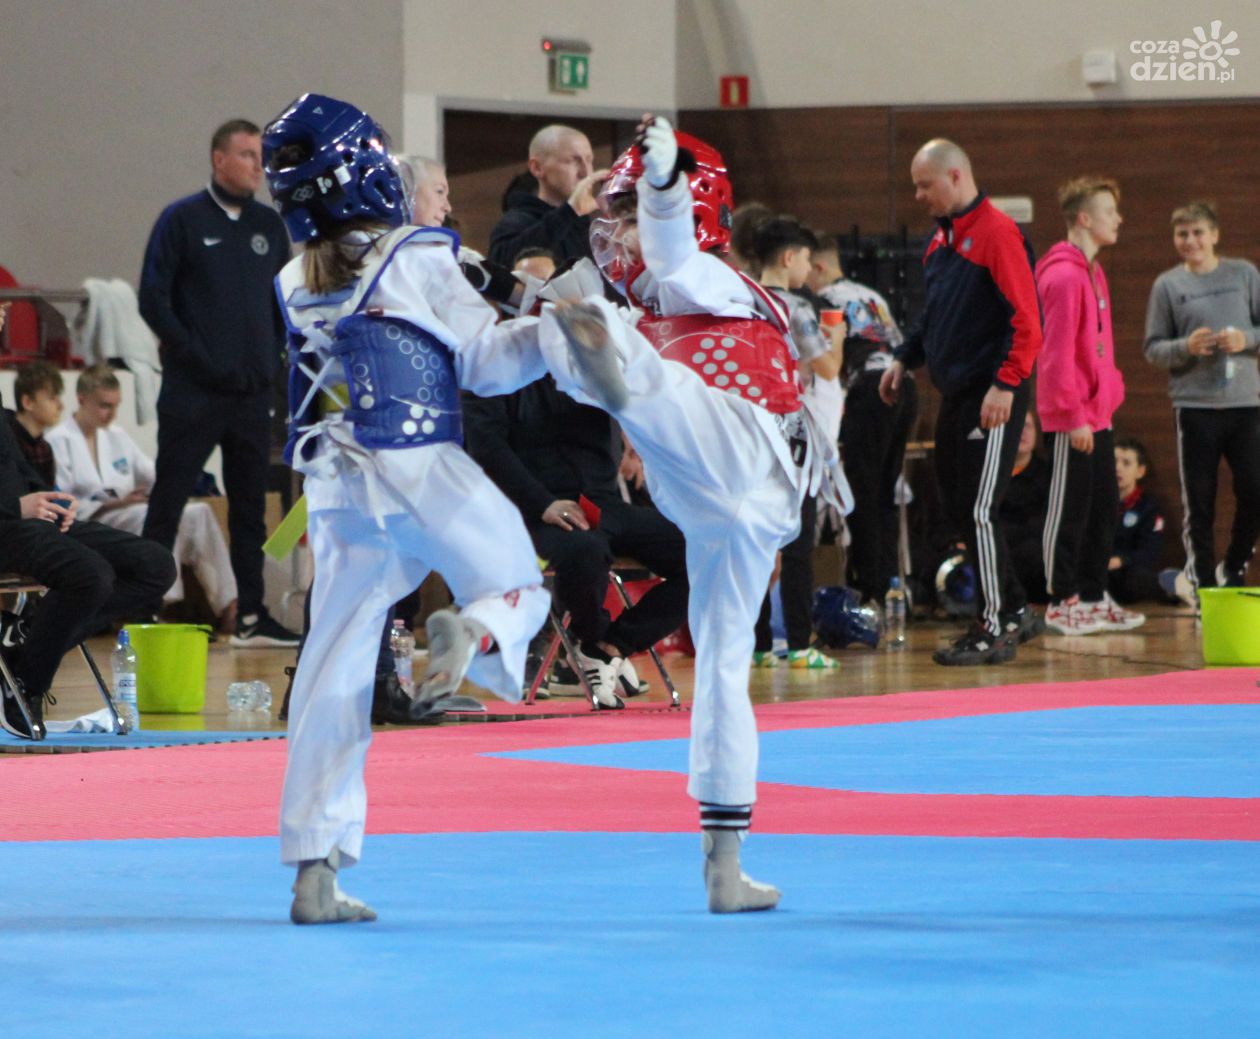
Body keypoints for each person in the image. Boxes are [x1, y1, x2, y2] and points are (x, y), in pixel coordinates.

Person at [535, 116, 848, 913]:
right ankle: (724, 861)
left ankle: (607, 364)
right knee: (722, 662)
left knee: (613, 348)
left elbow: (672, 251)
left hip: (741, 452)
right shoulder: (659, 297)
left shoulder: (702, 274)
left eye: (629, 215)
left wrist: (664, 183)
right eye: (616, 216)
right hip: (719, 501)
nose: (617, 232)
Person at [263, 93, 550, 924]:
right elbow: (488, 364)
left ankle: (315, 870)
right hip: (420, 464)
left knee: (335, 665)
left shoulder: (292, 276)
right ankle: (474, 628)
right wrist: (556, 332)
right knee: (517, 584)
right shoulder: (416, 256)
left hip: (336, 485)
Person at [879, 138, 1044, 665]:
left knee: (978, 507)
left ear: (955, 177)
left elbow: (1028, 321)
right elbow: (934, 315)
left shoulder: (998, 234)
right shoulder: (941, 240)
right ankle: (1013, 607)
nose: (918, 196)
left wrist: (1006, 384)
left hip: (992, 393)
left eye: (924, 185)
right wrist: (904, 358)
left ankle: (996, 624)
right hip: (957, 393)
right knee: (957, 504)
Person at [138, 117, 298, 648]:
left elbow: (284, 305)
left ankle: (250, 615)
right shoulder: (181, 219)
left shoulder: (269, 226)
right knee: (169, 501)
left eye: (262, 157)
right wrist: (196, 356)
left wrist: (273, 361)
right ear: (219, 159)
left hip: (251, 395)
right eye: (248, 155)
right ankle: (143, 608)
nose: (259, 166)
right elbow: (153, 300)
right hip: (193, 393)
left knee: (250, 508)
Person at [463, 373, 689, 706]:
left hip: (602, 503)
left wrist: (635, 437)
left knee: (704, 550)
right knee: (585, 549)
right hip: (530, 512)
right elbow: (486, 449)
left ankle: (608, 648)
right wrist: (543, 504)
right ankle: (590, 640)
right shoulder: (493, 373)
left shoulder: (583, 366)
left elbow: (638, 399)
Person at [0, 399, 176, 740]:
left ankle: (26, 639)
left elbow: (16, 470)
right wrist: (14, 507)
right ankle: (25, 682)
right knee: (91, 575)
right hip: (8, 525)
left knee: (155, 566)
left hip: (27, 523)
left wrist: (50, 499)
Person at [47, 366, 238, 632]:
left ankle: (229, 603)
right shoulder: (58, 440)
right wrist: (115, 503)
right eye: (104, 405)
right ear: (81, 399)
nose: (112, 413)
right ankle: (160, 603)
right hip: (91, 520)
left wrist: (183, 481)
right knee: (155, 516)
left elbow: (154, 475)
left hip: (129, 512)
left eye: (116, 405)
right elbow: (61, 499)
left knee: (196, 512)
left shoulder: (117, 436)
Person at [1036, 176, 1143, 636]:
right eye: (1109, 211)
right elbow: (1055, 355)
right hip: (1072, 418)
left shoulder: (1093, 271)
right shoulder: (1062, 276)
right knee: (1070, 509)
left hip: (1096, 414)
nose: (1118, 219)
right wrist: (1072, 414)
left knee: (1103, 506)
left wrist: (1108, 395)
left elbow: (1098, 348)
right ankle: (1061, 601)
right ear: (1083, 218)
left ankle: (1094, 597)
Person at [1144, 200, 1260, 596]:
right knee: (1200, 501)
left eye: (1197, 232)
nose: (1190, 240)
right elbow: (1153, 348)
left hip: (1245, 404)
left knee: (1254, 488)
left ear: (1214, 235)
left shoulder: (1243, 274)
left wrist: (1246, 339)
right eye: (1182, 234)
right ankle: (1204, 585)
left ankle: (1235, 564)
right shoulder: (1168, 286)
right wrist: (1185, 347)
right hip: (1195, 407)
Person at [751, 217, 843, 670]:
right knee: (798, 541)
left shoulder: (742, 298)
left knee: (756, 539)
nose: (809, 269)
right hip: (790, 431)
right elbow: (827, 368)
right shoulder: (797, 307)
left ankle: (758, 646)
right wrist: (836, 340)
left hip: (751, 427)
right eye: (806, 259)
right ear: (789, 258)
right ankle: (801, 644)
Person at [809, 233, 918, 606]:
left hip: (872, 388)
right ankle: (890, 584)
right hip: (904, 386)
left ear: (818, 266)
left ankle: (870, 586)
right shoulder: (872, 296)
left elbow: (828, 359)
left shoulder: (826, 301)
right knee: (885, 490)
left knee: (860, 491)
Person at [488, 125, 607, 268]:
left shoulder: (587, 227)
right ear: (537, 167)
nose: (586, 173)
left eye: (589, 160)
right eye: (573, 161)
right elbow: (500, 267)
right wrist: (570, 211)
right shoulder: (515, 221)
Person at [1001, 410, 1050, 607]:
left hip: (1030, 554)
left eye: (1028, 426)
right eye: (1015, 426)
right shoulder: (988, 472)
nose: (1022, 432)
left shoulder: (1047, 474)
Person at [1111, 436, 1166, 605]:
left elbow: (1150, 551)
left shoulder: (1148, 508)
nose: (1117, 468)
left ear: (1140, 471)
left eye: (1126, 463)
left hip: (1127, 572)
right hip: (1098, 572)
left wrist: (1120, 560)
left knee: (1137, 580)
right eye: (1114, 461)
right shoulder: (1094, 501)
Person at [7, 360, 65, 486]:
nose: (61, 406)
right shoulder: (5, 442)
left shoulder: (45, 449)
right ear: (28, 402)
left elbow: (46, 494)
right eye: (52, 398)